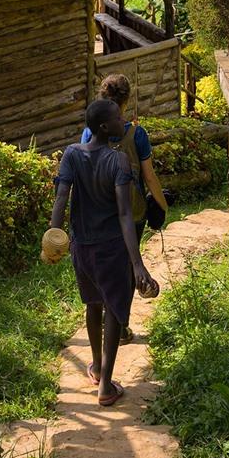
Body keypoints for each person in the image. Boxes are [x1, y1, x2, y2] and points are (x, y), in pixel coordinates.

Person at [49, 97, 156, 407]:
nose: (123, 121)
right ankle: (106, 385)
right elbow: (125, 215)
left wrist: (54, 238)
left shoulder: (71, 154)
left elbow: (61, 199)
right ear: (103, 127)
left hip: (81, 248)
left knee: (93, 305)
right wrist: (137, 265)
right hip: (111, 250)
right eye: (118, 118)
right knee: (113, 311)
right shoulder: (118, 161)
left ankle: (96, 366)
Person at [81, 73, 168, 341]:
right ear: (127, 102)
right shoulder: (136, 133)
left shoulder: (90, 131)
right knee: (129, 266)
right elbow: (149, 176)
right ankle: (118, 326)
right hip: (133, 211)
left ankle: (110, 322)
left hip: (100, 211)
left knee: (107, 269)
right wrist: (163, 204)